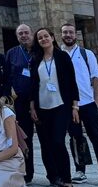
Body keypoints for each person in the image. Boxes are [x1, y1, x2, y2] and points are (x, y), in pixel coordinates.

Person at [61, 23, 98, 185]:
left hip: (87, 102)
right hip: (70, 105)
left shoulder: (86, 54)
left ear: (75, 35)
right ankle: (80, 170)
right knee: (76, 138)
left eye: (71, 32)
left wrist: (96, 101)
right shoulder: (59, 54)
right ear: (61, 35)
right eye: (65, 33)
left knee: (96, 137)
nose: (68, 35)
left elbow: (96, 77)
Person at [29, 27, 79, 187]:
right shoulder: (36, 59)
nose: (43, 39)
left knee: (58, 141)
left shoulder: (62, 56)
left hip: (61, 105)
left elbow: (72, 81)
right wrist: (32, 107)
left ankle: (66, 178)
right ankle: (53, 176)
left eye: (46, 36)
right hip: (42, 107)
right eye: (40, 38)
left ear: (52, 37)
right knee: (46, 144)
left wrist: (75, 106)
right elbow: (33, 85)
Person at [6, 23, 35, 184]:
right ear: (17, 37)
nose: (24, 36)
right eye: (20, 34)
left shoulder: (38, 51)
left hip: (40, 102)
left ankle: (54, 173)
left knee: (48, 140)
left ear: (31, 34)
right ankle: (27, 173)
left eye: (26, 32)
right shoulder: (12, 53)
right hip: (20, 103)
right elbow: (7, 76)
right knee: (25, 139)